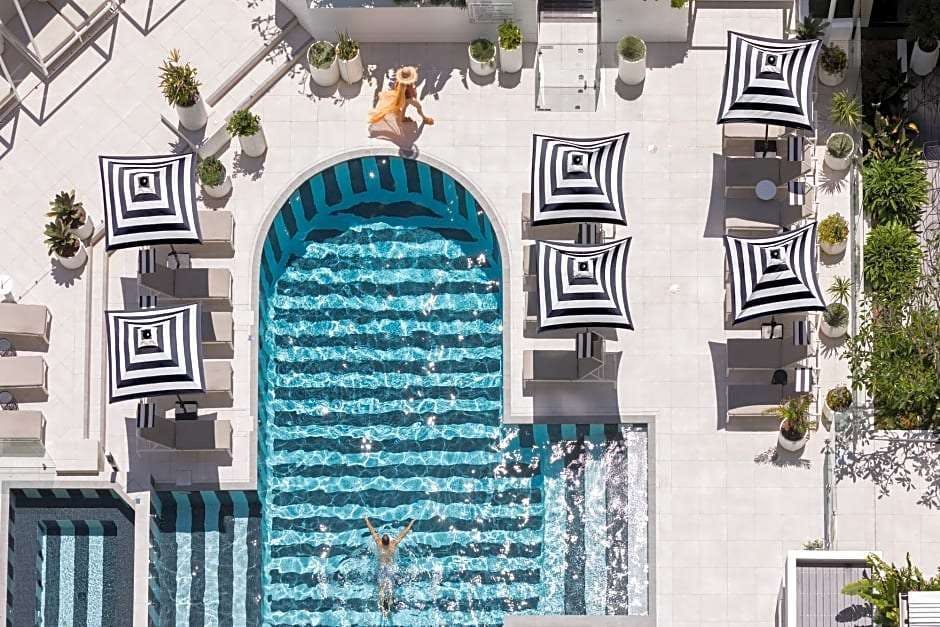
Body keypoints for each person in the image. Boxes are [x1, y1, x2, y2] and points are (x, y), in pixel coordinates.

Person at [364, 517, 416, 615]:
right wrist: (411, 523)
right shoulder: (393, 544)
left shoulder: (378, 543)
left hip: (381, 568)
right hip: (390, 569)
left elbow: (372, 531)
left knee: (381, 588)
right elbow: (403, 533)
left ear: (382, 541)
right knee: (391, 587)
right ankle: (390, 603)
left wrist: (366, 520)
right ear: (388, 541)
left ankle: (382, 608)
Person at [368, 66, 434, 127]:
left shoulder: (402, 82)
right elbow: (402, 93)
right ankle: (424, 118)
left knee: (405, 107)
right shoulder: (403, 85)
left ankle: (402, 118)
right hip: (408, 98)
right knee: (418, 106)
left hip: (407, 97)